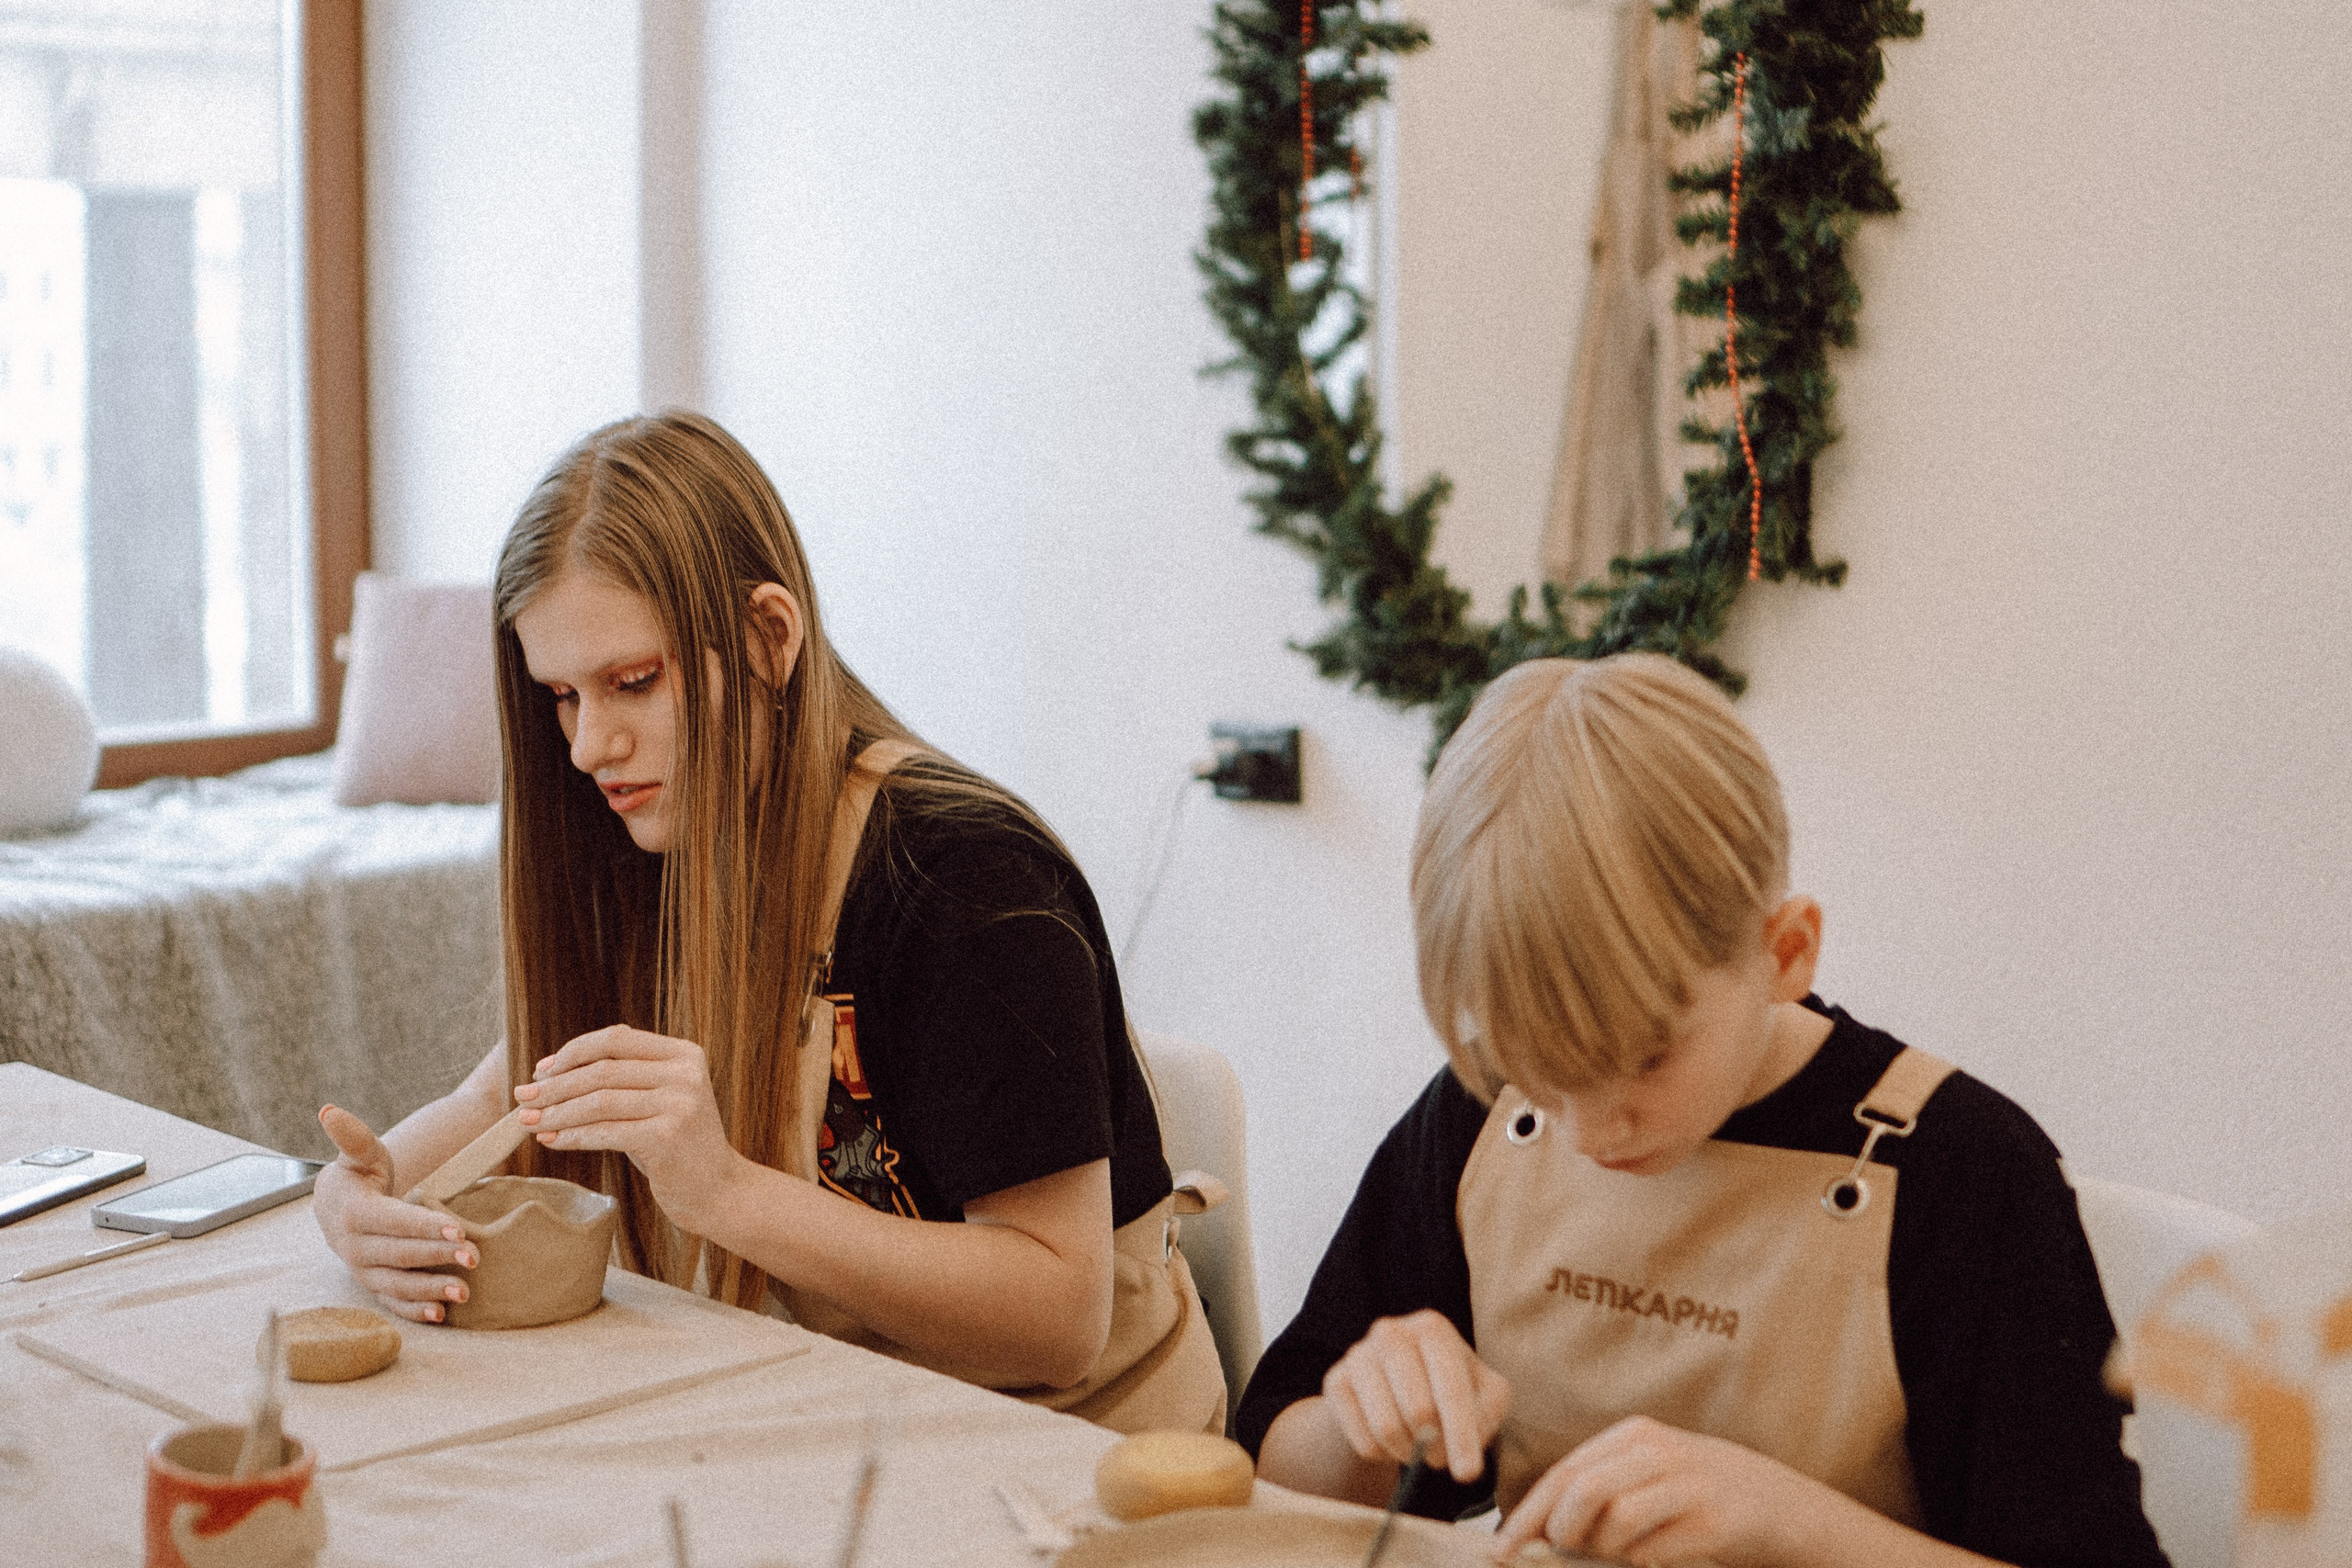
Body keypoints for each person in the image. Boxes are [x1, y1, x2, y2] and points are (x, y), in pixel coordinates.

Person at [310, 411, 1224, 1434]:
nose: (587, 746)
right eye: (561, 697)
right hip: (841, 1414)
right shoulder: (659, 831)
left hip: (1072, 1454)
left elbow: (1054, 1318)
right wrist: (365, 1194)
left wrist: (723, 1191)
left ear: (767, 638)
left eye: (634, 683)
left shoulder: (966, 881)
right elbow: (505, 1097)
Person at [1237, 654, 2168, 1565]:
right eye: (1537, 1068)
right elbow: (1275, 1465)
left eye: (1641, 1058)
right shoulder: (1478, 1119)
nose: (1589, 1130)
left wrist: (1785, 1522)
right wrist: (1363, 1425)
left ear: (1786, 952)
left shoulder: (1960, 1174)